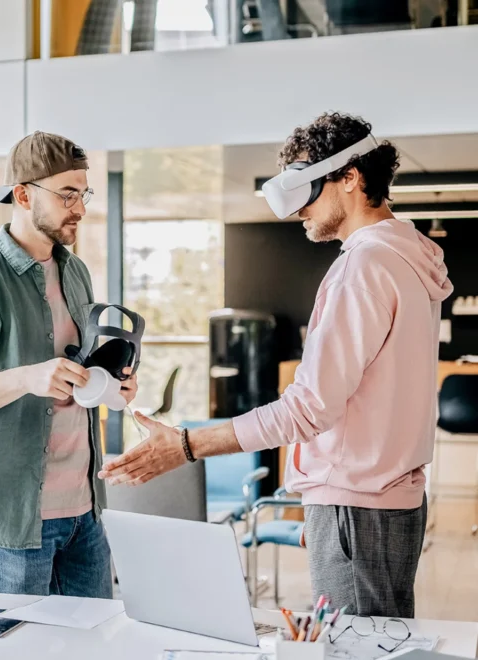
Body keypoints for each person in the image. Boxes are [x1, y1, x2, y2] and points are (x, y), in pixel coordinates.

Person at [100, 112, 453, 619]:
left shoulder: (363, 267)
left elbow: (307, 409)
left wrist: (185, 445)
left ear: (350, 179)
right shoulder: (410, 259)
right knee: (381, 652)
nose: (297, 211)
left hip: (357, 505)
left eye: (308, 188)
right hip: (386, 500)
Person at [0, 131, 136, 598]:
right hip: (13, 518)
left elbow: (73, 366)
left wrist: (108, 382)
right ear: (22, 194)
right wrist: (28, 377)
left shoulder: (75, 271)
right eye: (66, 194)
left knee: (92, 657)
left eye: (83, 193)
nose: (79, 207)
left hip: (84, 510)